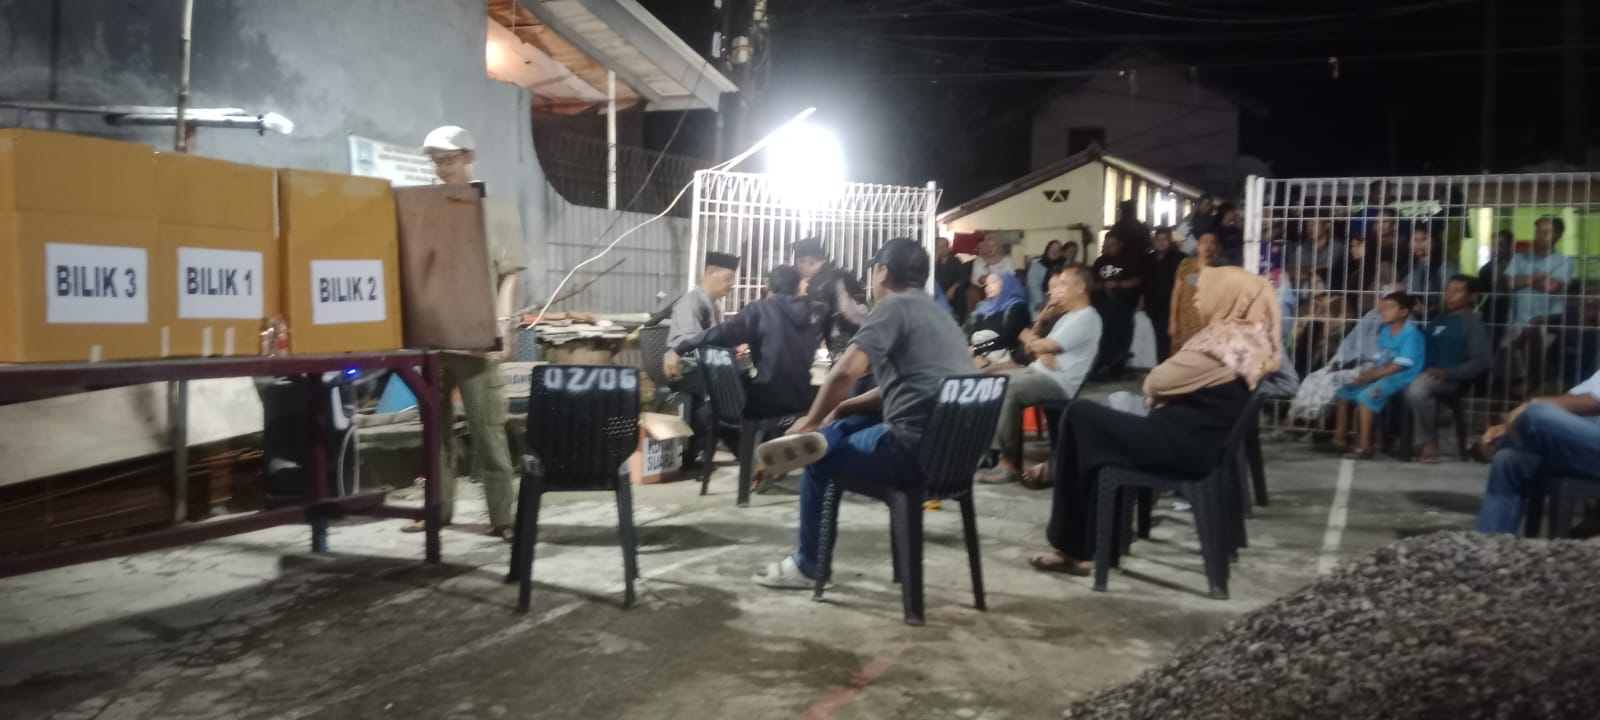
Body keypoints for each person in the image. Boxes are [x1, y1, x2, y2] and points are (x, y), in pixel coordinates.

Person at [746, 238, 973, 588]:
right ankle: (823, 437)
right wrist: (842, 407)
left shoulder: (892, 307)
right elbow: (914, 387)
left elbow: (845, 373)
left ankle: (808, 566)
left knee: (820, 460)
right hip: (957, 458)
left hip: (914, 454)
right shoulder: (939, 316)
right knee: (851, 420)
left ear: (882, 272)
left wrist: (810, 420)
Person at [1029, 266, 1279, 575]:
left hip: (1182, 445)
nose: (1195, 298)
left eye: (1203, 292)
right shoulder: (1251, 339)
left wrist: (1162, 389)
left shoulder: (1222, 342)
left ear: (1226, 297)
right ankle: (1092, 548)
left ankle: (1075, 547)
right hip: (1198, 441)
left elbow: (1155, 381)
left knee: (1078, 416)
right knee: (1093, 433)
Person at [406, 125, 524, 540]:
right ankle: (436, 509)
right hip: (433, 335)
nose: (441, 168)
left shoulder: (496, 208)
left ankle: (502, 517)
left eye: (449, 159)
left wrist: (505, 327)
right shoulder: (425, 210)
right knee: (434, 431)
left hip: (476, 336)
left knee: (487, 429)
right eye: (436, 160)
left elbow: (510, 273)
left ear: (469, 157)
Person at [976, 266, 1102, 485]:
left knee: (1009, 389)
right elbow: (1032, 347)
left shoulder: (1087, 317)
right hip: (1038, 371)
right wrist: (1041, 327)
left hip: (1058, 381)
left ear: (1080, 288)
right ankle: (989, 453)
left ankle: (1008, 463)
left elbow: (1038, 345)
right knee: (992, 381)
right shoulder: (1066, 318)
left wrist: (1040, 346)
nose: (1056, 290)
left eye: (1063, 284)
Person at [664, 265, 819, 420]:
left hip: (769, 403)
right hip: (802, 400)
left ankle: (712, 433)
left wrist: (680, 349)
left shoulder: (761, 309)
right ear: (798, 286)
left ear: (769, 286)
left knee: (718, 404)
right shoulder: (814, 312)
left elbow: (723, 333)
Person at [1474, 370, 1600, 535]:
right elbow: (1569, 402)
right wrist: (1510, 424)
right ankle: (1489, 545)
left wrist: (1531, 405)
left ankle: (1497, 443)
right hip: (1586, 449)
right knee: (1508, 461)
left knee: (1536, 414)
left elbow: (1594, 402)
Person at [663, 251, 741, 468]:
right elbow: (689, 343)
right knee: (725, 393)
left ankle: (734, 451)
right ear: (710, 273)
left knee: (739, 383)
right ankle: (741, 452)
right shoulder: (692, 302)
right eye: (728, 278)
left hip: (704, 368)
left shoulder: (713, 304)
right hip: (686, 368)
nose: (731, 284)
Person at [1403, 276, 1491, 463]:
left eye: (1457, 291)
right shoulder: (1437, 320)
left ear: (1471, 297)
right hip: (1423, 373)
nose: (1450, 295)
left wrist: (1448, 372)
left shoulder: (1472, 323)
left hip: (1450, 379)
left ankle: (1429, 442)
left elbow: (1481, 361)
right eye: (1448, 290)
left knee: (1418, 388)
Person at [1330, 292, 1425, 460]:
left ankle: (1364, 446)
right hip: (1383, 374)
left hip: (1401, 377)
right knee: (1345, 390)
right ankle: (1339, 439)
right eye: (1383, 307)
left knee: (1366, 396)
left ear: (1403, 312)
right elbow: (1380, 358)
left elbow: (1400, 366)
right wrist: (1367, 374)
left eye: (1389, 308)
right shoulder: (1385, 331)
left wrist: (1373, 375)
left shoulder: (1410, 333)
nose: (1383, 311)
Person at [1505, 216, 1573, 392]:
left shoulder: (1564, 261)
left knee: (1537, 366)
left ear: (1558, 235)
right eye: (1539, 231)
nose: (1541, 236)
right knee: (1510, 371)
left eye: (1547, 232)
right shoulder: (1520, 258)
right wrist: (1536, 277)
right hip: (1517, 321)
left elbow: (1552, 287)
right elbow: (1508, 282)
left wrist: (1522, 280)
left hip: (1547, 322)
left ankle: (1534, 389)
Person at [793, 237, 868, 358]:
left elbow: (815, 326)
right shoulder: (847, 275)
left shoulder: (819, 284)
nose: (799, 270)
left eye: (799, 264)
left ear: (810, 261)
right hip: (866, 345)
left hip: (844, 351)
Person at [1092, 231, 1142, 376]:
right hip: (1102, 305)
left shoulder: (1129, 260)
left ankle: (1116, 368)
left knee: (1121, 336)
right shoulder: (1099, 261)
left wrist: (1117, 284)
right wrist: (1102, 285)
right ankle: (1101, 366)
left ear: (1120, 244)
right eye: (1107, 244)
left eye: (1113, 244)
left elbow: (1137, 281)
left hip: (1123, 305)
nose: (1110, 247)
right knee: (1103, 336)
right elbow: (1091, 283)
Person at [965, 272, 1032, 368]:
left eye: (993, 282)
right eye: (986, 284)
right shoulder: (983, 308)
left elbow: (1007, 339)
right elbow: (972, 334)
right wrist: (974, 352)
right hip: (983, 357)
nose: (988, 287)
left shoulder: (1017, 307)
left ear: (1006, 283)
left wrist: (976, 349)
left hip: (1010, 359)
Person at [1170, 230, 1219, 352]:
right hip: (1184, 321)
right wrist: (1172, 320)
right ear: (1198, 244)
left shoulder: (1219, 268)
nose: (1208, 245)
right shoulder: (1186, 264)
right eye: (1204, 242)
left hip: (1206, 324)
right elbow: (1176, 293)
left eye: (1212, 242)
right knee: (1182, 355)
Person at [1144, 227, 1185, 362]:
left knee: (1174, 339)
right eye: (1158, 239)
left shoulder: (1181, 258)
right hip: (1154, 306)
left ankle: (1174, 366)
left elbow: (1193, 280)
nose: (1161, 243)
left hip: (1175, 305)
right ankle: (1162, 365)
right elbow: (1144, 282)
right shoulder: (1148, 259)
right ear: (1154, 241)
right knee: (1160, 338)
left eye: (1165, 239)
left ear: (1170, 241)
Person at [1403, 223, 1459, 313]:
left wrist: (1429, 311)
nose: (1419, 244)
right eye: (1415, 240)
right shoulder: (1407, 268)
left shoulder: (1447, 268)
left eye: (1424, 239)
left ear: (1435, 241)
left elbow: (1452, 299)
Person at [1478, 229, 1516, 341]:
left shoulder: (1521, 264)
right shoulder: (1486, 269)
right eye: (1494, 244)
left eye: (1501, 244)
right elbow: (1482, 294)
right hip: (1495, 313)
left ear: (1511, 245)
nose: (1496, 248)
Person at [935, 236, 971, 323]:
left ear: (948, 248)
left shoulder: (955, 261)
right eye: (938, 246)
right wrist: (935, 258)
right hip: (938, 290)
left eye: (943, 246)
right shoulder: (933, 261)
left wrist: (953, 288)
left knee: (960, 291)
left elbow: (964, 277)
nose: (941, 249)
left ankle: (958, 319)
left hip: (953, 291)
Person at [1027, 239, 1068, 316]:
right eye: (1052, 248)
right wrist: (1040, 302)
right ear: (1047, 250)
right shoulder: (1037, 266)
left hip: (1060, 306)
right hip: (1040, 305)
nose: (1054, 251)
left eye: (1057, 249)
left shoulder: (1065, 265)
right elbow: (1033, 285)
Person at [1214, 202, 1246, 267]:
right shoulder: (1217, 230)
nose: (1234, 214)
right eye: (1232, 212)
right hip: (1226, 262)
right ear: (1226, 213)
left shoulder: (1235, 229)